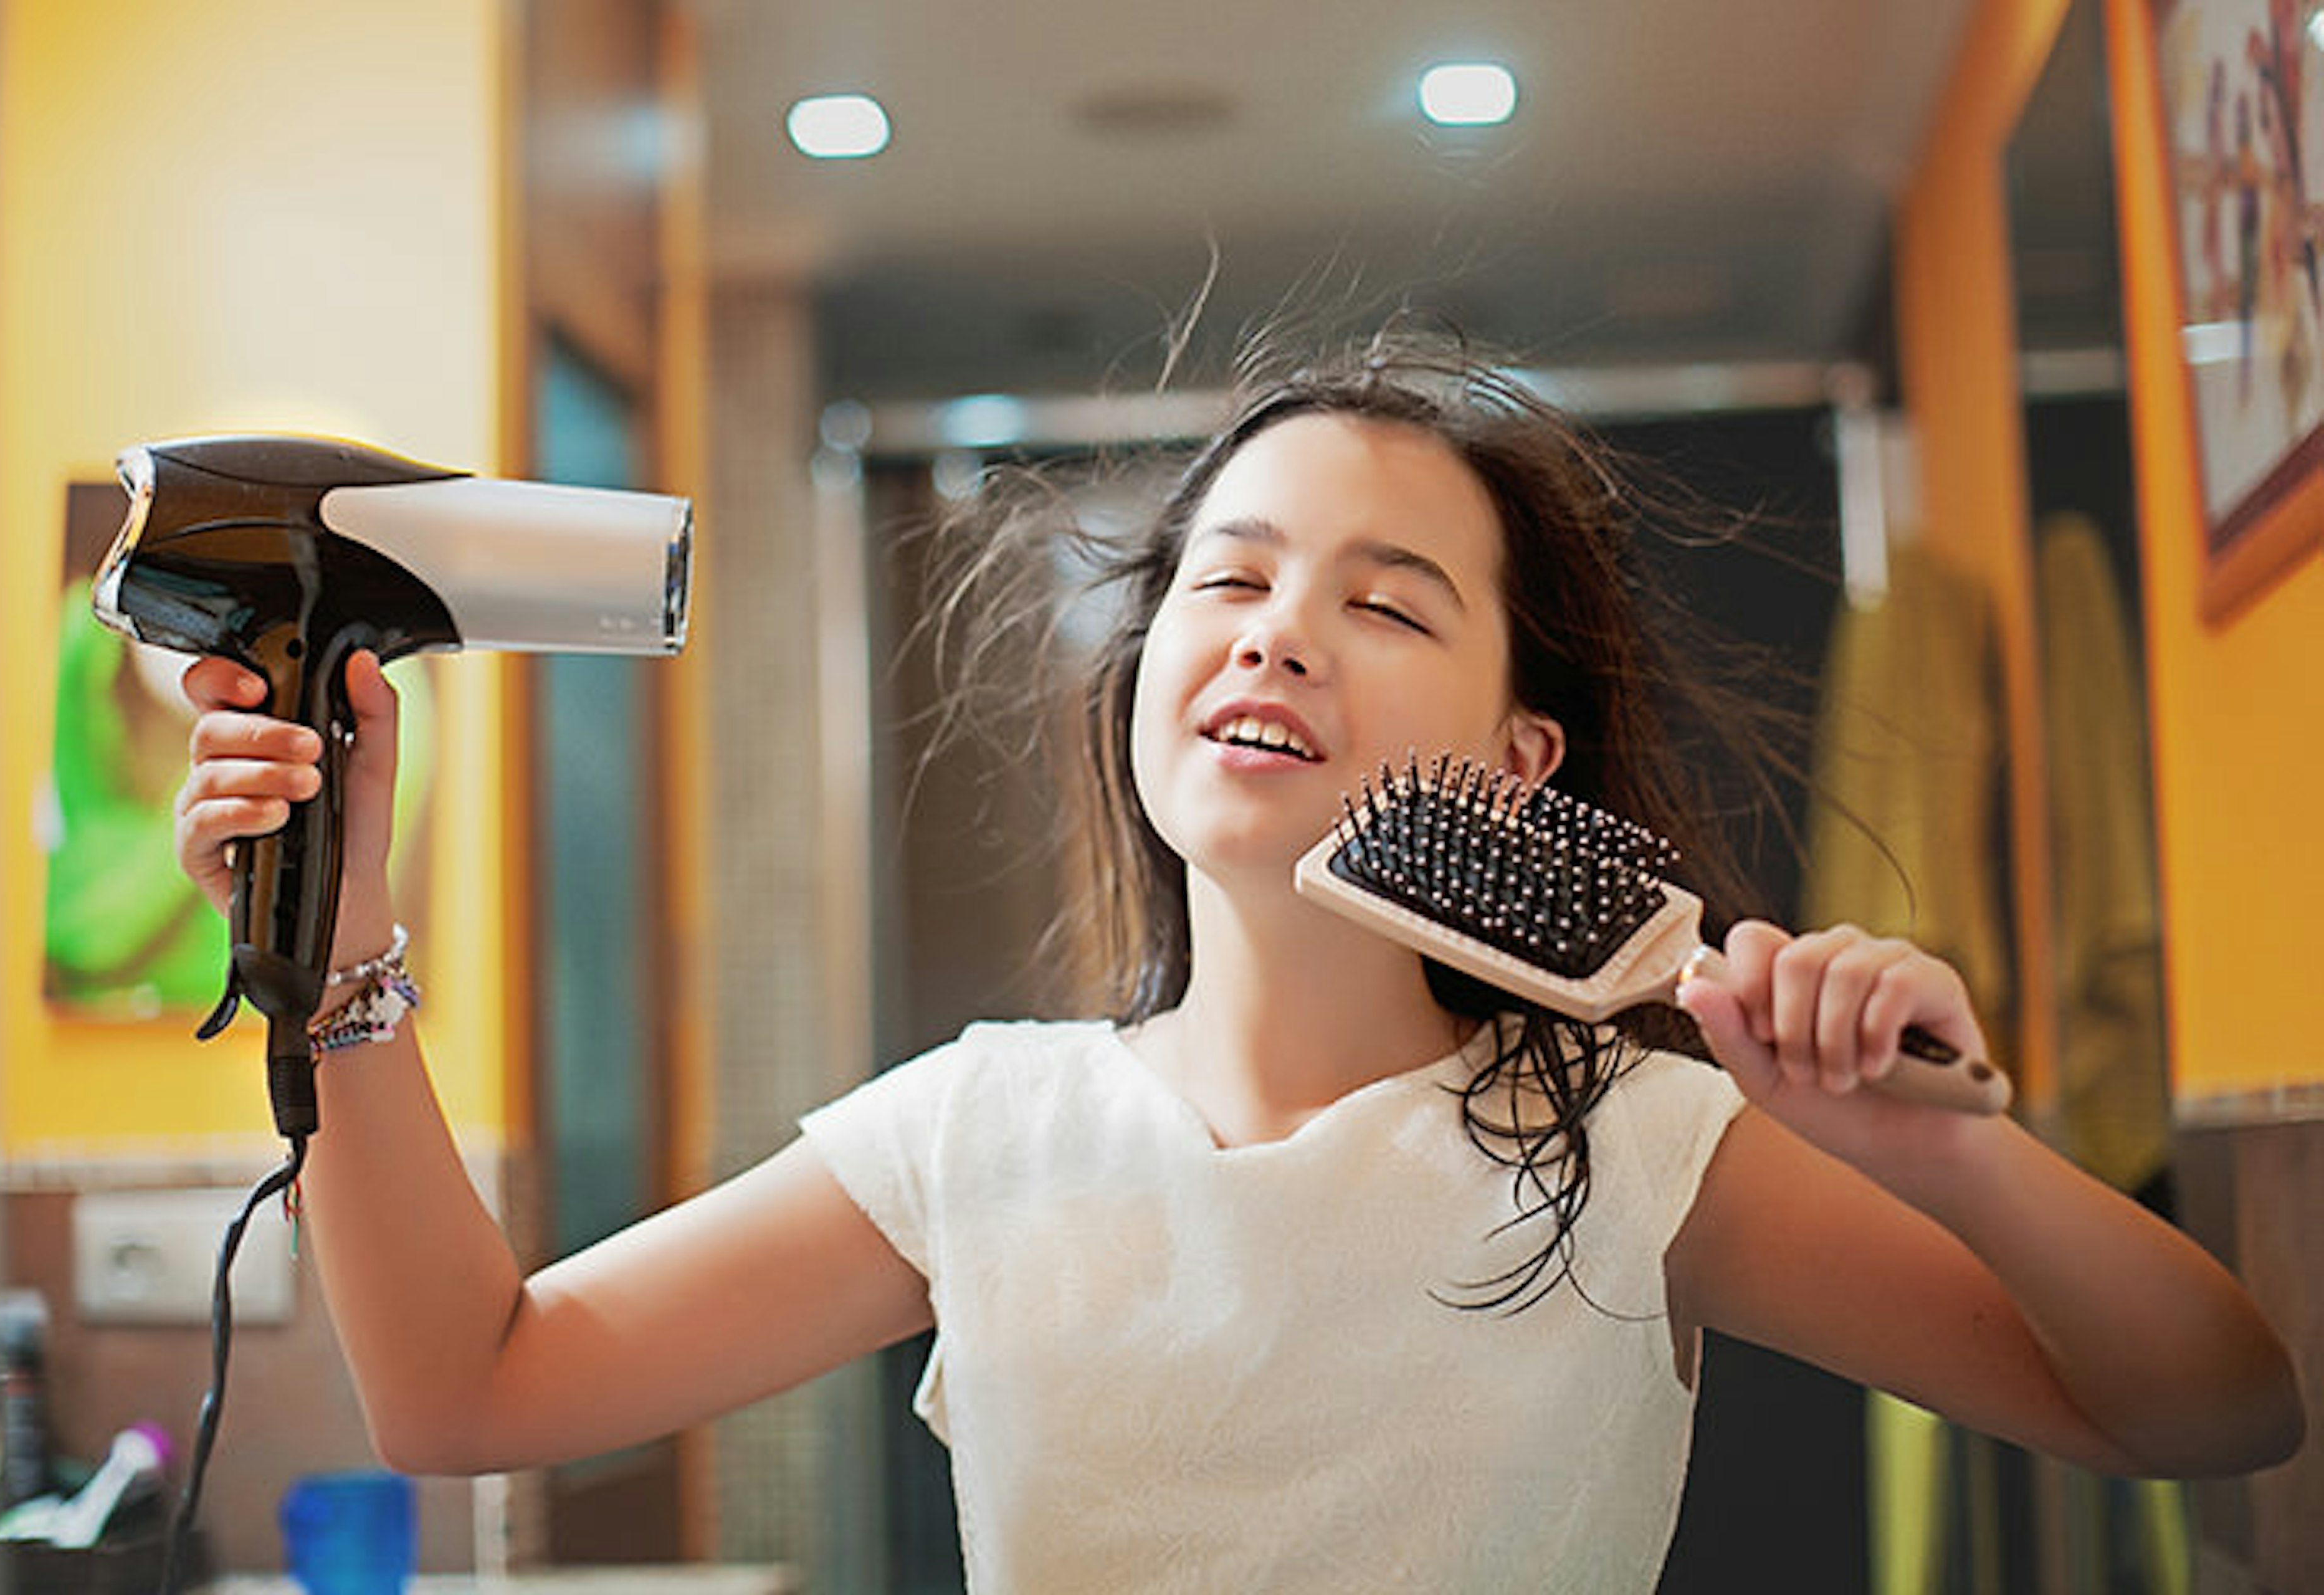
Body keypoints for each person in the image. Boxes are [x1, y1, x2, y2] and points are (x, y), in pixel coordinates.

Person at [173, 331, 2303, 1592]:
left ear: (1515, 752)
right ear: (1151, 668)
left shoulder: (1637, 1144)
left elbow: (2215, 1418)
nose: (1278, 628)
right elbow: (465, 1394)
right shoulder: (975, 1135)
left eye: (1389, 604)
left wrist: (1950, 1158)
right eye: (1231, 575)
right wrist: (344, 948)